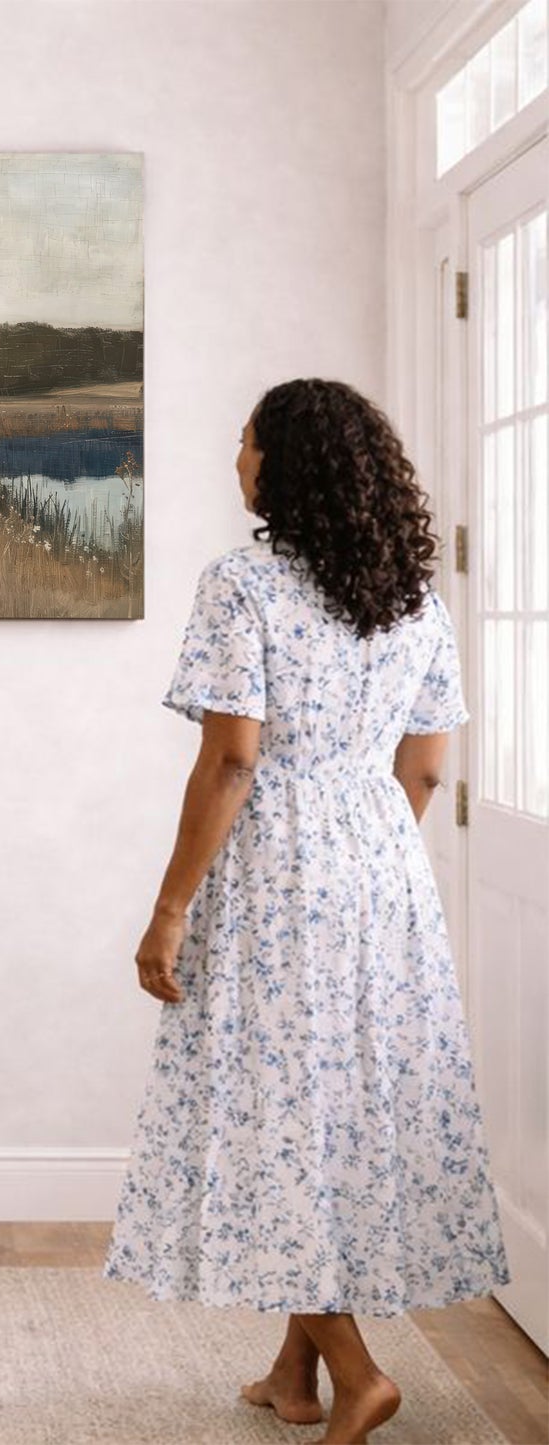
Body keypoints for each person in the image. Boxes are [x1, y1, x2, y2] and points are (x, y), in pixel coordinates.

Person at [101, 378, 511, 1445]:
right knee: (325, 1111)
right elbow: (422, 767)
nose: (234, 457)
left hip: (273, 867)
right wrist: (367, 857)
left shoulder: (241, 583)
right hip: (381, 866)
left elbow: (232, 758)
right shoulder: (413, 595)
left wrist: (168, 906)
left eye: (243, 441)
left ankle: (359, 1371)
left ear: (283, 464)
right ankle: (294, 1371)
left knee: (266, 1111)